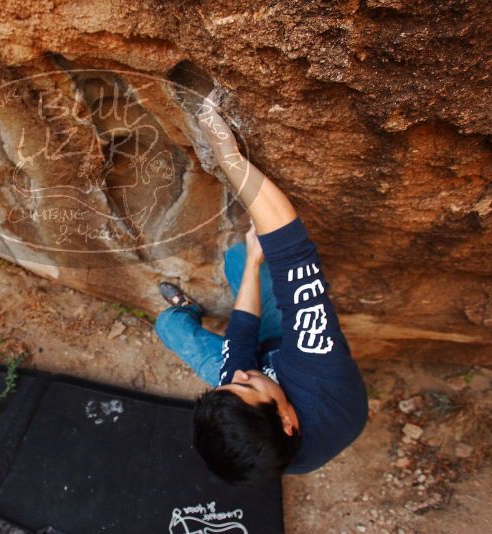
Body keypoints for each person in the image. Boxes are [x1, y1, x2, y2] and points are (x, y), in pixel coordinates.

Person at [155, 90, 368, 484]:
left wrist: (254, 264)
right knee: (248, 260)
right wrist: (227, 154)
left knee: (174, 319)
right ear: (287, 420)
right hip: (293, 354)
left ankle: (187, 309)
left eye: (226, 387)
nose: (237, 376)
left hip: (275, 359)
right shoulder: (318, 373)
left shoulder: (248, 410)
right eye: (245, 385)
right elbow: (293, 252)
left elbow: (240, 340)